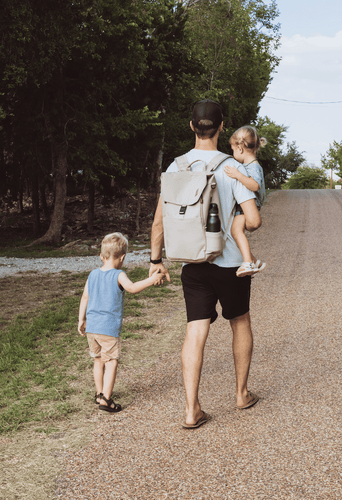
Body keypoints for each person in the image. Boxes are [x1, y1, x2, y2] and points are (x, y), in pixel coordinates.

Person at [149, 100, 262, 429]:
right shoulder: (232, 167)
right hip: (229, 264)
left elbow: (159, 223)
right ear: (222, 127)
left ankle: (191, 409)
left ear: (191, 126)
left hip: (192, 263)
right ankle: (241, 394)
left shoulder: (176, 167)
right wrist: (239, 220)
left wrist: (156, 261)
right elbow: (252, 220)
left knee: (195, 330)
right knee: (239, 321)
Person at [78, 232, 164, 413]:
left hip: (92, 327)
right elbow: (132, 288)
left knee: (98, 360)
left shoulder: (92, 274)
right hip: (108, 328)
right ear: (122, 257)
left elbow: (85, 296)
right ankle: (106, 399)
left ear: (101, 256)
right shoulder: (118, 274)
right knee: (111, 362)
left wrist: (81, 319)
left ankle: (99, 393)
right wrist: (151, 280)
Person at [224, 125, 267, 277]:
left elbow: (254, 185)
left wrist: (237, 175)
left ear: (240, 148)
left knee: (235, 231)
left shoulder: (253, 166)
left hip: (248, 207)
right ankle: (254, 261)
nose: (233, 153)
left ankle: (248, 262)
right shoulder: (249, 165)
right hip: (245, 207)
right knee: (234, 233)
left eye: (233, 150)